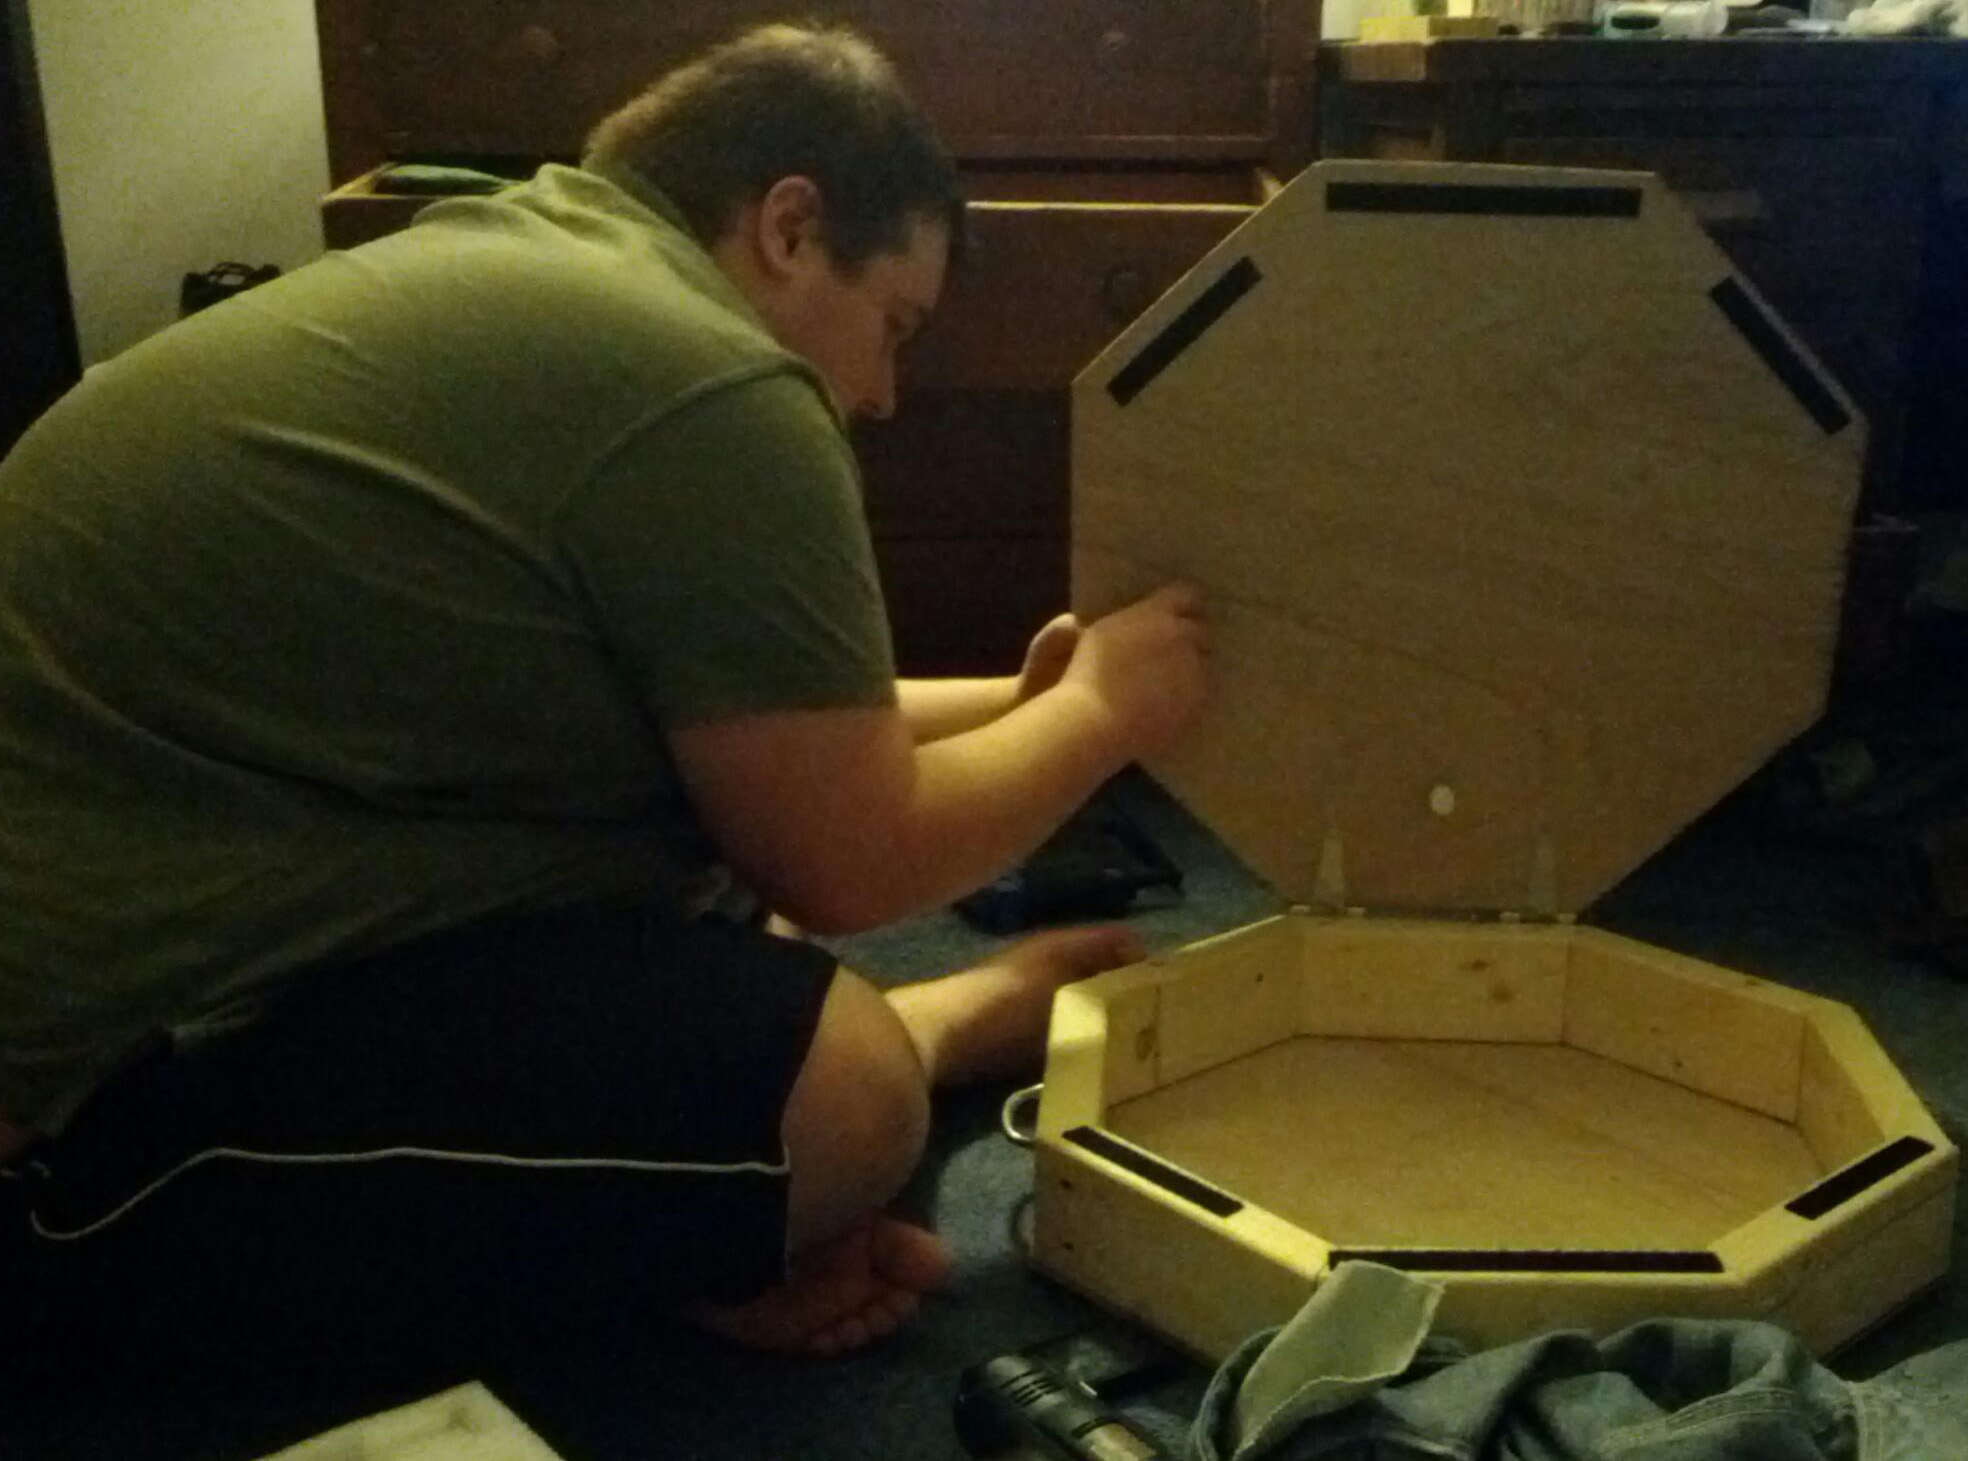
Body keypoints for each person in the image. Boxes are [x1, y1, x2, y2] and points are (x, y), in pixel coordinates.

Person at [0, 22, 1206, 1365]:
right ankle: (750, 1167)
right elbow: (850, 860)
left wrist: (1019, 701)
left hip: (231, 901)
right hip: (66, 1121)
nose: (880, 392)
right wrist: (1104, 711)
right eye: (893, 326)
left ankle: (680, 1196)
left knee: (700, 874)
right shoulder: (711, 376)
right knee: (845, 1100)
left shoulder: (549, 280)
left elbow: (769, 725)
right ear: (790, 228)